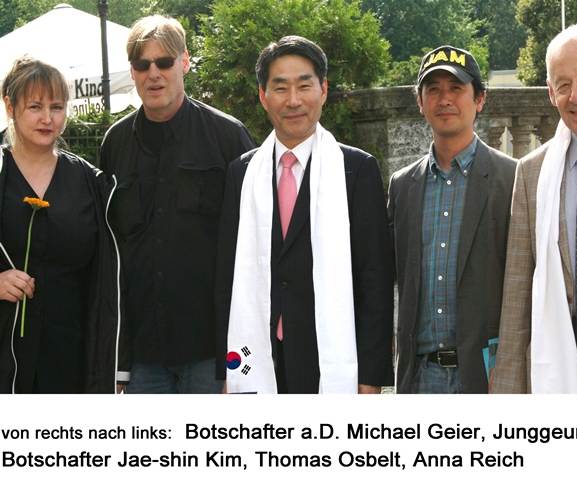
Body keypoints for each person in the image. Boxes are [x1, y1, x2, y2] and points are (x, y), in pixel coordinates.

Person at [215, 35, 394, 394]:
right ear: (264, 96)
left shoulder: (356, 170)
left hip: (328, 357)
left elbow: (374, 279)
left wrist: (371, 378)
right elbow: (227, 277)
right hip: (258, 352)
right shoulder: (242, 173)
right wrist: (228, 371)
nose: (293, 100)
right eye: (280, 88)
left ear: (323, 90)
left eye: (304, 85)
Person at [99, 15, 255, 393]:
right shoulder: (114, 144)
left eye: (164, 62)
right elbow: (108, 248)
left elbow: (254, 248)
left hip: (211, 350)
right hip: (141, 353)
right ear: (132, 72)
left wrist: (242, 361)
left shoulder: (228, 137)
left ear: (184, 62)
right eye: (142, 64)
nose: (153, 73)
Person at [491, 25, 577, 394]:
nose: (576, 96)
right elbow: (518, 295)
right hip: (563, 364)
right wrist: (506, 395)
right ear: (551, 92)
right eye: (563, 84)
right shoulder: (532, 173)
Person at [388, 46, 517, 393]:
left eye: (456, 88)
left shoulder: (512, 179)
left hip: (488, 374)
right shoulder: (402, 186)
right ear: (420, 102)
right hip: (420, 378)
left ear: (480, 99)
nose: (444, 99)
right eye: (433, 89)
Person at [0, 55, 127, 393]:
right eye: (35, 107)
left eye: (56, 107)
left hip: (72, 360)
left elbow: (108, 276)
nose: (47, 118)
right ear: (10, 106)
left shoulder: (90, 182)